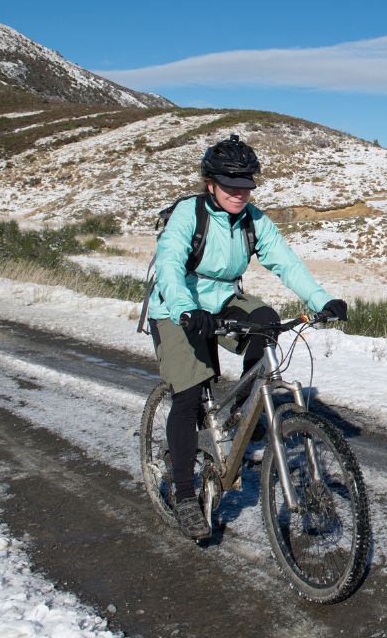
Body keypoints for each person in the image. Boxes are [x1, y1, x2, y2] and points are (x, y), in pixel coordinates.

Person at [146, 133, 347, 540]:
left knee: (267, 321)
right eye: (231, 185)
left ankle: (242, 412)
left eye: (247, 185)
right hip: (177, 304)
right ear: (210, 184)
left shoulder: (253, 219)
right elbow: (168, 264)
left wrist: (323, 300)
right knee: (189, 392)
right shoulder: (190, 214)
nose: (240, 193)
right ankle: (184, 495)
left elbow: (286, 262)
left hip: (223, 299)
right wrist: (187, 309)